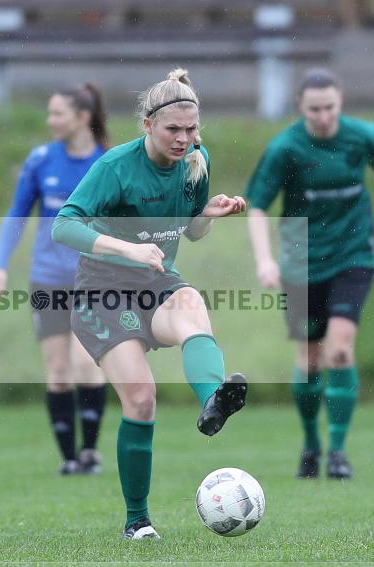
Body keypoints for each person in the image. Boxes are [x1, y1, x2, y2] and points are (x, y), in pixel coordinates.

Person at [52, 68, 248, 540]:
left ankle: (213, 403)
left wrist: (208, 215)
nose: (184, 139)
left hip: (156, 282)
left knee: (192, 306)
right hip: (102, 292)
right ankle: (136, 521)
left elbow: (191, 230)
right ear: (147, 125)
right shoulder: (115, 168)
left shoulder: (196, 161)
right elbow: (63, 225)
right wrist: (128, 248)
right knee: (140, 400)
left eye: (191, 129)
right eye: (173, 130)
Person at [245, 68, 374, 480]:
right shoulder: (285, 148)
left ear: (341, 101)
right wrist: (264, 260)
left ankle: (339, 451)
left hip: (353, 254)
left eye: (330, 107)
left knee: (341, 350)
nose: (324, 116)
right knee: (310, 360)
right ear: (300, 107)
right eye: (314, 110)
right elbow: (257, 205)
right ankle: (311, 443)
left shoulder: (365, 136)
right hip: (301, 261)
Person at [0, 83, 110, 476]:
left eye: (58, 113)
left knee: (85, 366)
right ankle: (69, 458)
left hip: (92, 282)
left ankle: (90, 451)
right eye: (50, 113)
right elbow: (17, 214)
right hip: (46, 282)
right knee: (57, 372)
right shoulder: (41, 160)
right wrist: (0, 263)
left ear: (82, 118)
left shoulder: (107, 164)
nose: (50, 120)